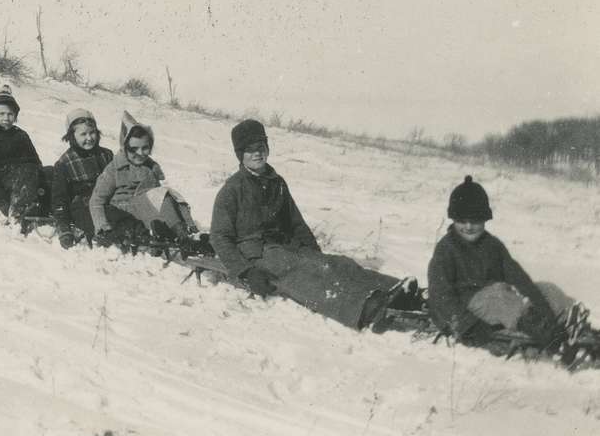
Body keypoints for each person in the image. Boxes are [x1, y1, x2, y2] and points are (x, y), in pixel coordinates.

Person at [209, 119, 411, 330]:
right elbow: (219, 236)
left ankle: (395, 289)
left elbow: (295, 222)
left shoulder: (276, 182)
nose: (257, 153)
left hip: (283, 246)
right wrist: (245, 271)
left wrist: (317, 254)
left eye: (261, 147)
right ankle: (366, 307)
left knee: (337, 264)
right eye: (250, 150)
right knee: (305, 275)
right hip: (257, 253)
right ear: (240, 155)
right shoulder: (232, 189)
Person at [427, 176, 582, 350]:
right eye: (462, 221)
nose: (469, 226)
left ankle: (570, 326)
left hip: (499, 298)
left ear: (485, 219)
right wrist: (468, 326)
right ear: (453, 219)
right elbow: (440, 296)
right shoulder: (446, 249)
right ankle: (550, 338)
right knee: (500, 297)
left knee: (548, 290)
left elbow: (519, 279)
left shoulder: (493, 245)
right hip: (468, 307)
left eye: (475, 220)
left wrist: (545, 308)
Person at [90, 112, 196, 247]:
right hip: (125, 214)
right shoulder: (114, 169)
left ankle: (182, 231)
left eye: (145, 148)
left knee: (168, 196)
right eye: (134, 149)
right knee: (161, 195)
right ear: (125, 147)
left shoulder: (150, 168)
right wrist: (103, 228)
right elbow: (96, 200)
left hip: (146, 209)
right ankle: (177, 233)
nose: (140, 153)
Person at [0, 86, 43, 231]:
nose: (6, 118)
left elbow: (35, 161)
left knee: (49, 171)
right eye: (2, 114)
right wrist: (3, 203)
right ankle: (17, 213)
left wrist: (42, 176)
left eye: (10, 114)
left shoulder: (21, 135)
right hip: (1, 179)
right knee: (26, 171)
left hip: (25, 177)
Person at [51, 109, 114, 248]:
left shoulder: (106, 155)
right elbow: (59, 199)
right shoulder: (65, 163)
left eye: (92, 132)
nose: (89, 138)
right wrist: (64, 227)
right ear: (72, 137)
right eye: (83, 134)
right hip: (82, 207)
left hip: (106, 202)